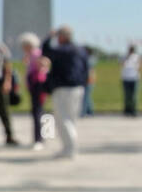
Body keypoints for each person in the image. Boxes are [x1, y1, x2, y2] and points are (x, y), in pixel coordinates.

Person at [42, 25, 89, 158]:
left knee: (63, 119)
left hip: (63, 88)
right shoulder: (81, 50)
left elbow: (45, 51)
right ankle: (69, 147)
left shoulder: (61, 50)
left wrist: (49, 37)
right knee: (71, 119)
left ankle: (70, 149)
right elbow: (86, 69)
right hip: (78, 87)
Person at [19, 32, 49, 146]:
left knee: (37, 111)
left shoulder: (36, 54)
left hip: (37, 85)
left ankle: (38, 139)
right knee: (38, 110)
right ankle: (42, 136)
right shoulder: (31, 54)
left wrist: (41, 70)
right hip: (34, 85)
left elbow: (44, 64)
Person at [121, 44, 141, 115]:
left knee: (133, 95)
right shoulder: (124, 56)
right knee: (127, 95)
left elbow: (141, 66)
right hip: (126, 78)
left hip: (134, 78)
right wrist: (126, 58)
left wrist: (138, 67)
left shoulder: (137, 57)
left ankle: (133, 110)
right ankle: (127, 110)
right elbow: (121, 64)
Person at [81, 45, 97, 115]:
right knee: (87, 96)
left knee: (85, 96)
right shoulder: (91, 59)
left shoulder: (89, 59)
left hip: (88, 79)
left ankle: (83, 112)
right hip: (89, 78)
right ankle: (90, 111)